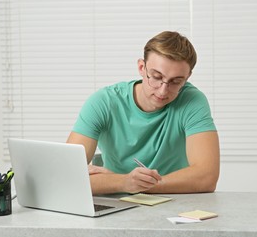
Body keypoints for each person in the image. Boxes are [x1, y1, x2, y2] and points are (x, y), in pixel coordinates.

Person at [67, 31, 220, 195]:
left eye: (176, 82)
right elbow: (66, 175)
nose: (163, 90)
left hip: (173, 201)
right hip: (118, 203)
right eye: (156, 76)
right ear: (141, 67)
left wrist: (134, 185)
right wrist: (123, 182)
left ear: (187, 77)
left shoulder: (192, 101)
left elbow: (206, 177)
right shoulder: (104, 102)